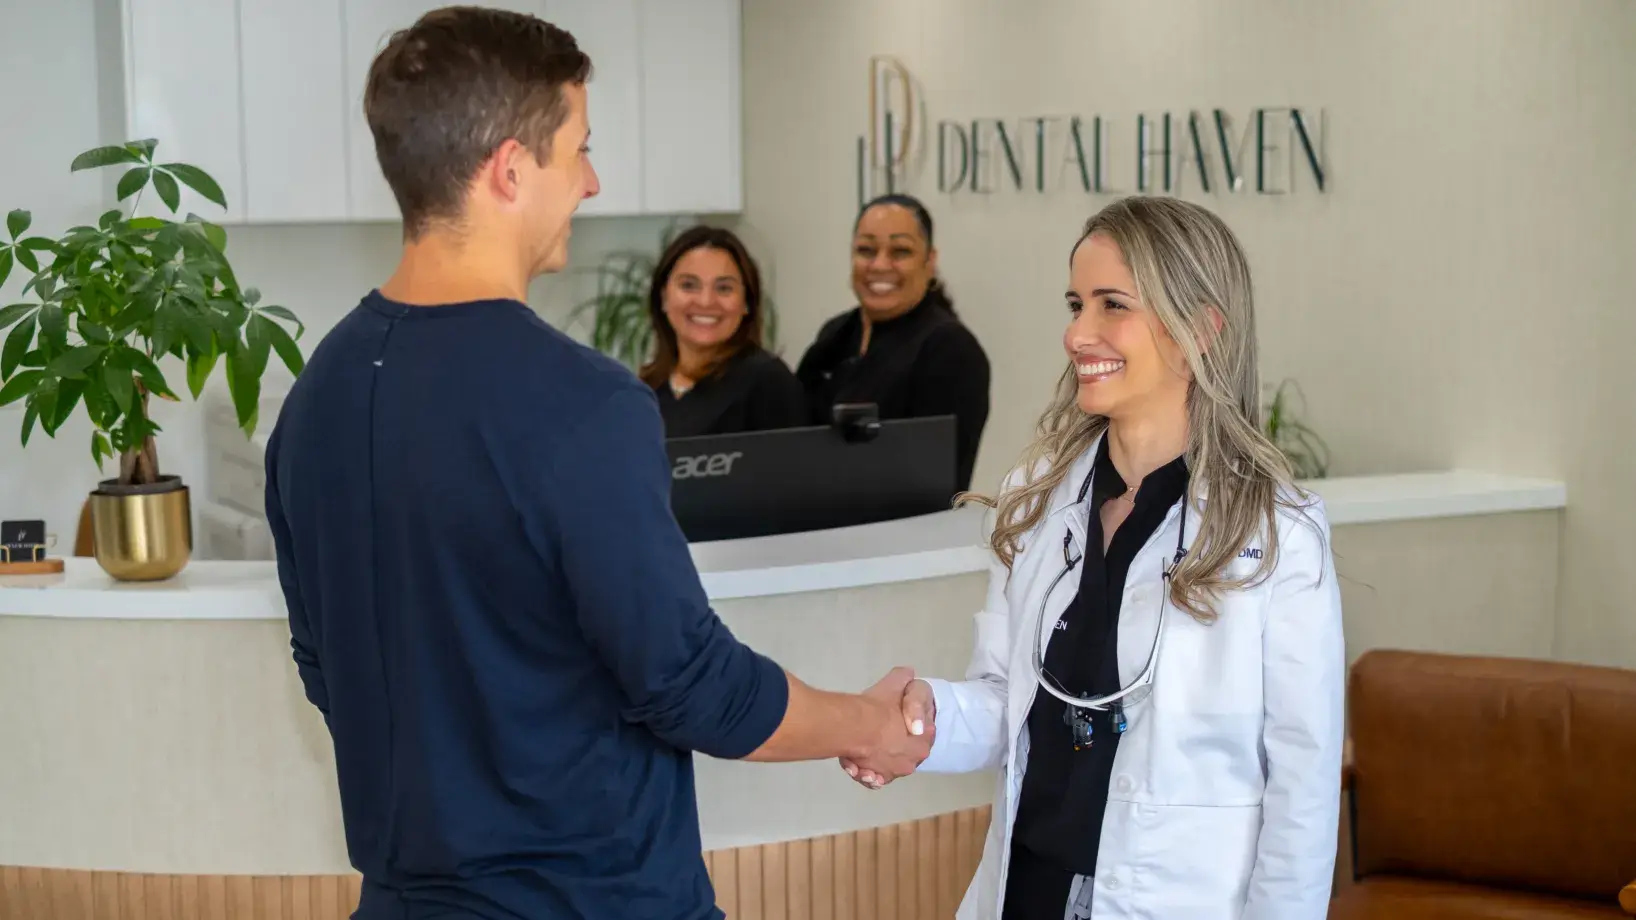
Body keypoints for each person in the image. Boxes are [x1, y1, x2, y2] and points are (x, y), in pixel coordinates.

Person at [261, 10, 929, 920]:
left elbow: (325, 669)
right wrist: (872, 724)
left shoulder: (316, 399)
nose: (590, 180)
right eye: (576, 149)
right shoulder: (587, 405)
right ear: (508, 169)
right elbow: (692, 686)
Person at [842, 197, 1345, 919]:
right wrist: (925, 719)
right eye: (1077, 303)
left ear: (1199, 330)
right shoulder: (1037, 502)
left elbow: (1303, 788)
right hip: (1028, 890)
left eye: (1113, 305)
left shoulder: (1280, 536)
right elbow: (1004, 702)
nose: (1079, 333)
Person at [795, 193, 991, 493]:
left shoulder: (949, 349)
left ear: (929, 261)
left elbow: (932, 482)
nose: (880, 264)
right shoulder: (835, 335)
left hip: (904, 536)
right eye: (866, 250)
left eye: (900, 251)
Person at [640, 225, 806, 438]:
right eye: (689, 285)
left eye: (724, 288)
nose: (706, 301)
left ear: (746, 302)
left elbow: (797, 468)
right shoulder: (647, 388)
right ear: (663, 297)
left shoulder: (767, 382)